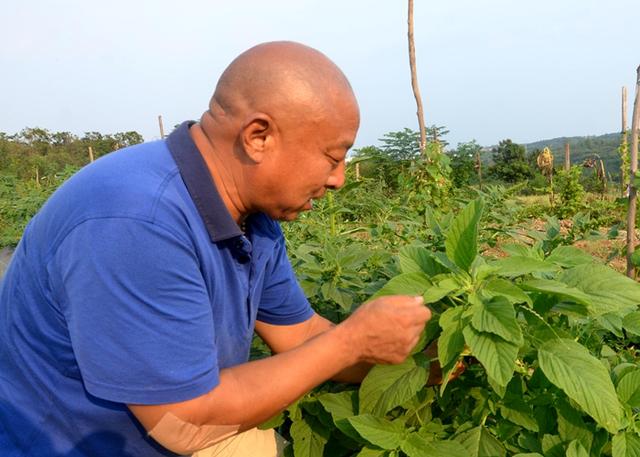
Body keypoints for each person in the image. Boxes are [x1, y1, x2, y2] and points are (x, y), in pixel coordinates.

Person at [0, 41, 431, 457]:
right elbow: (184, 425)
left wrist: (430, 368)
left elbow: (301, 335)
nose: (338, 179)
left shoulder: (252, 219)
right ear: (258, 136)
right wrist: (352, 341)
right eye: (333, 156)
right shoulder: (136, 219)